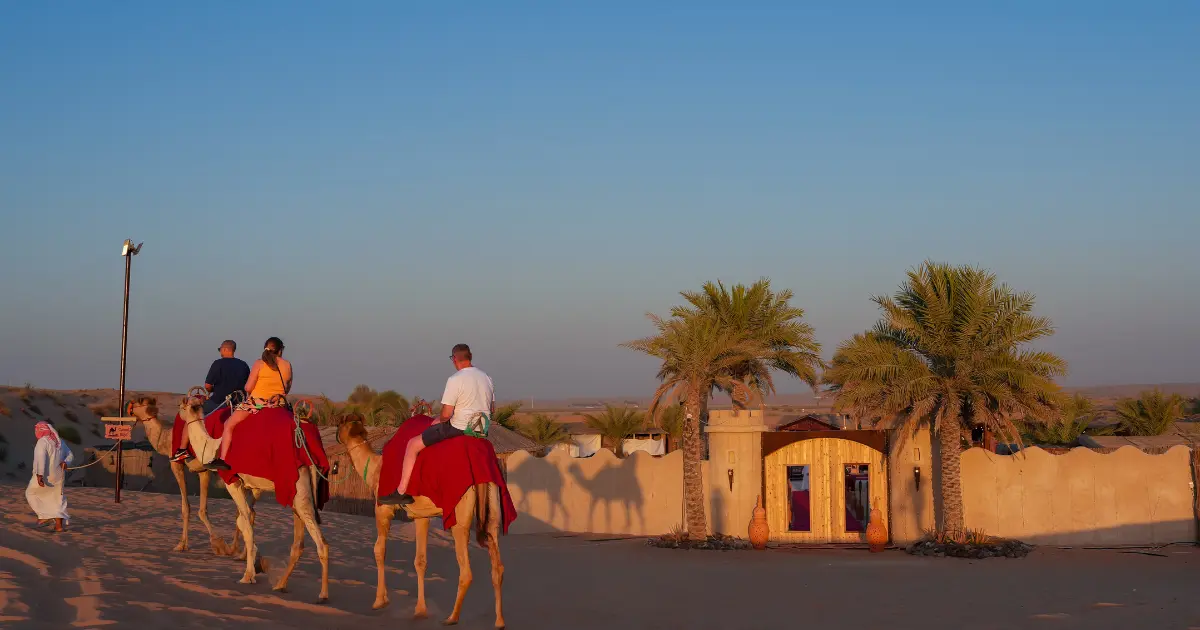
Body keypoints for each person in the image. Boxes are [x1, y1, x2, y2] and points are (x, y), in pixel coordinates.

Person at [379, 343, 494, 506]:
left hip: (458, 428)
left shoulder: (455, 379)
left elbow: (446, 415)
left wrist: (438, 420)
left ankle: (401, 491)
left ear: (455, 359)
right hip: (481, 430)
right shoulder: (487, 378)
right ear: (470, 357)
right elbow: (492, 409)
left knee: (412, 444)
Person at [206, 337, 292, 471]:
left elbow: (248, 388)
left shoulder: (259, 363)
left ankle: (222, 459)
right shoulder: (287, 364)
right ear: (280, 351)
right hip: (279, 403)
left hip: (258, 403)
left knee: (229, 424)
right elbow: (287, 388)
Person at [174, 339, 250, 462]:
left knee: (192, 414)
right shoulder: (244, 365)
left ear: (225, 349)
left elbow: (208, 386)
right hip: (238, 403)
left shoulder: (218, 364)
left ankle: (182, 449)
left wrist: (213, 389)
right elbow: (248, 387)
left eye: (220, 349)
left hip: (219, 402)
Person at [26, 420, 75, 532]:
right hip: (59, 475)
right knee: (58, 499)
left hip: (46, 475)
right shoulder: (60, 442)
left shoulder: (42, 442)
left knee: (31, 493)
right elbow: (70, 455)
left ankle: (44, 516)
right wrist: (66, 462)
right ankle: (59, 526)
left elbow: (40, 459)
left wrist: (39, 475)